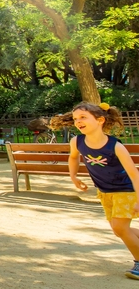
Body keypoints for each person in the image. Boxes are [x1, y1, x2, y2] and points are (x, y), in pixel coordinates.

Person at [49, 102, 139, 279]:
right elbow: (73, 158)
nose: (78, 121)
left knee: (120, 228)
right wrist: (73, 176)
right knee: (118, 229)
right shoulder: (77, 141)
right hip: (104, 191)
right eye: (75, 119)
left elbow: (134, 174)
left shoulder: (115, 146)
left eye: (83, 117)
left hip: (125, 190)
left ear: (100, 120)